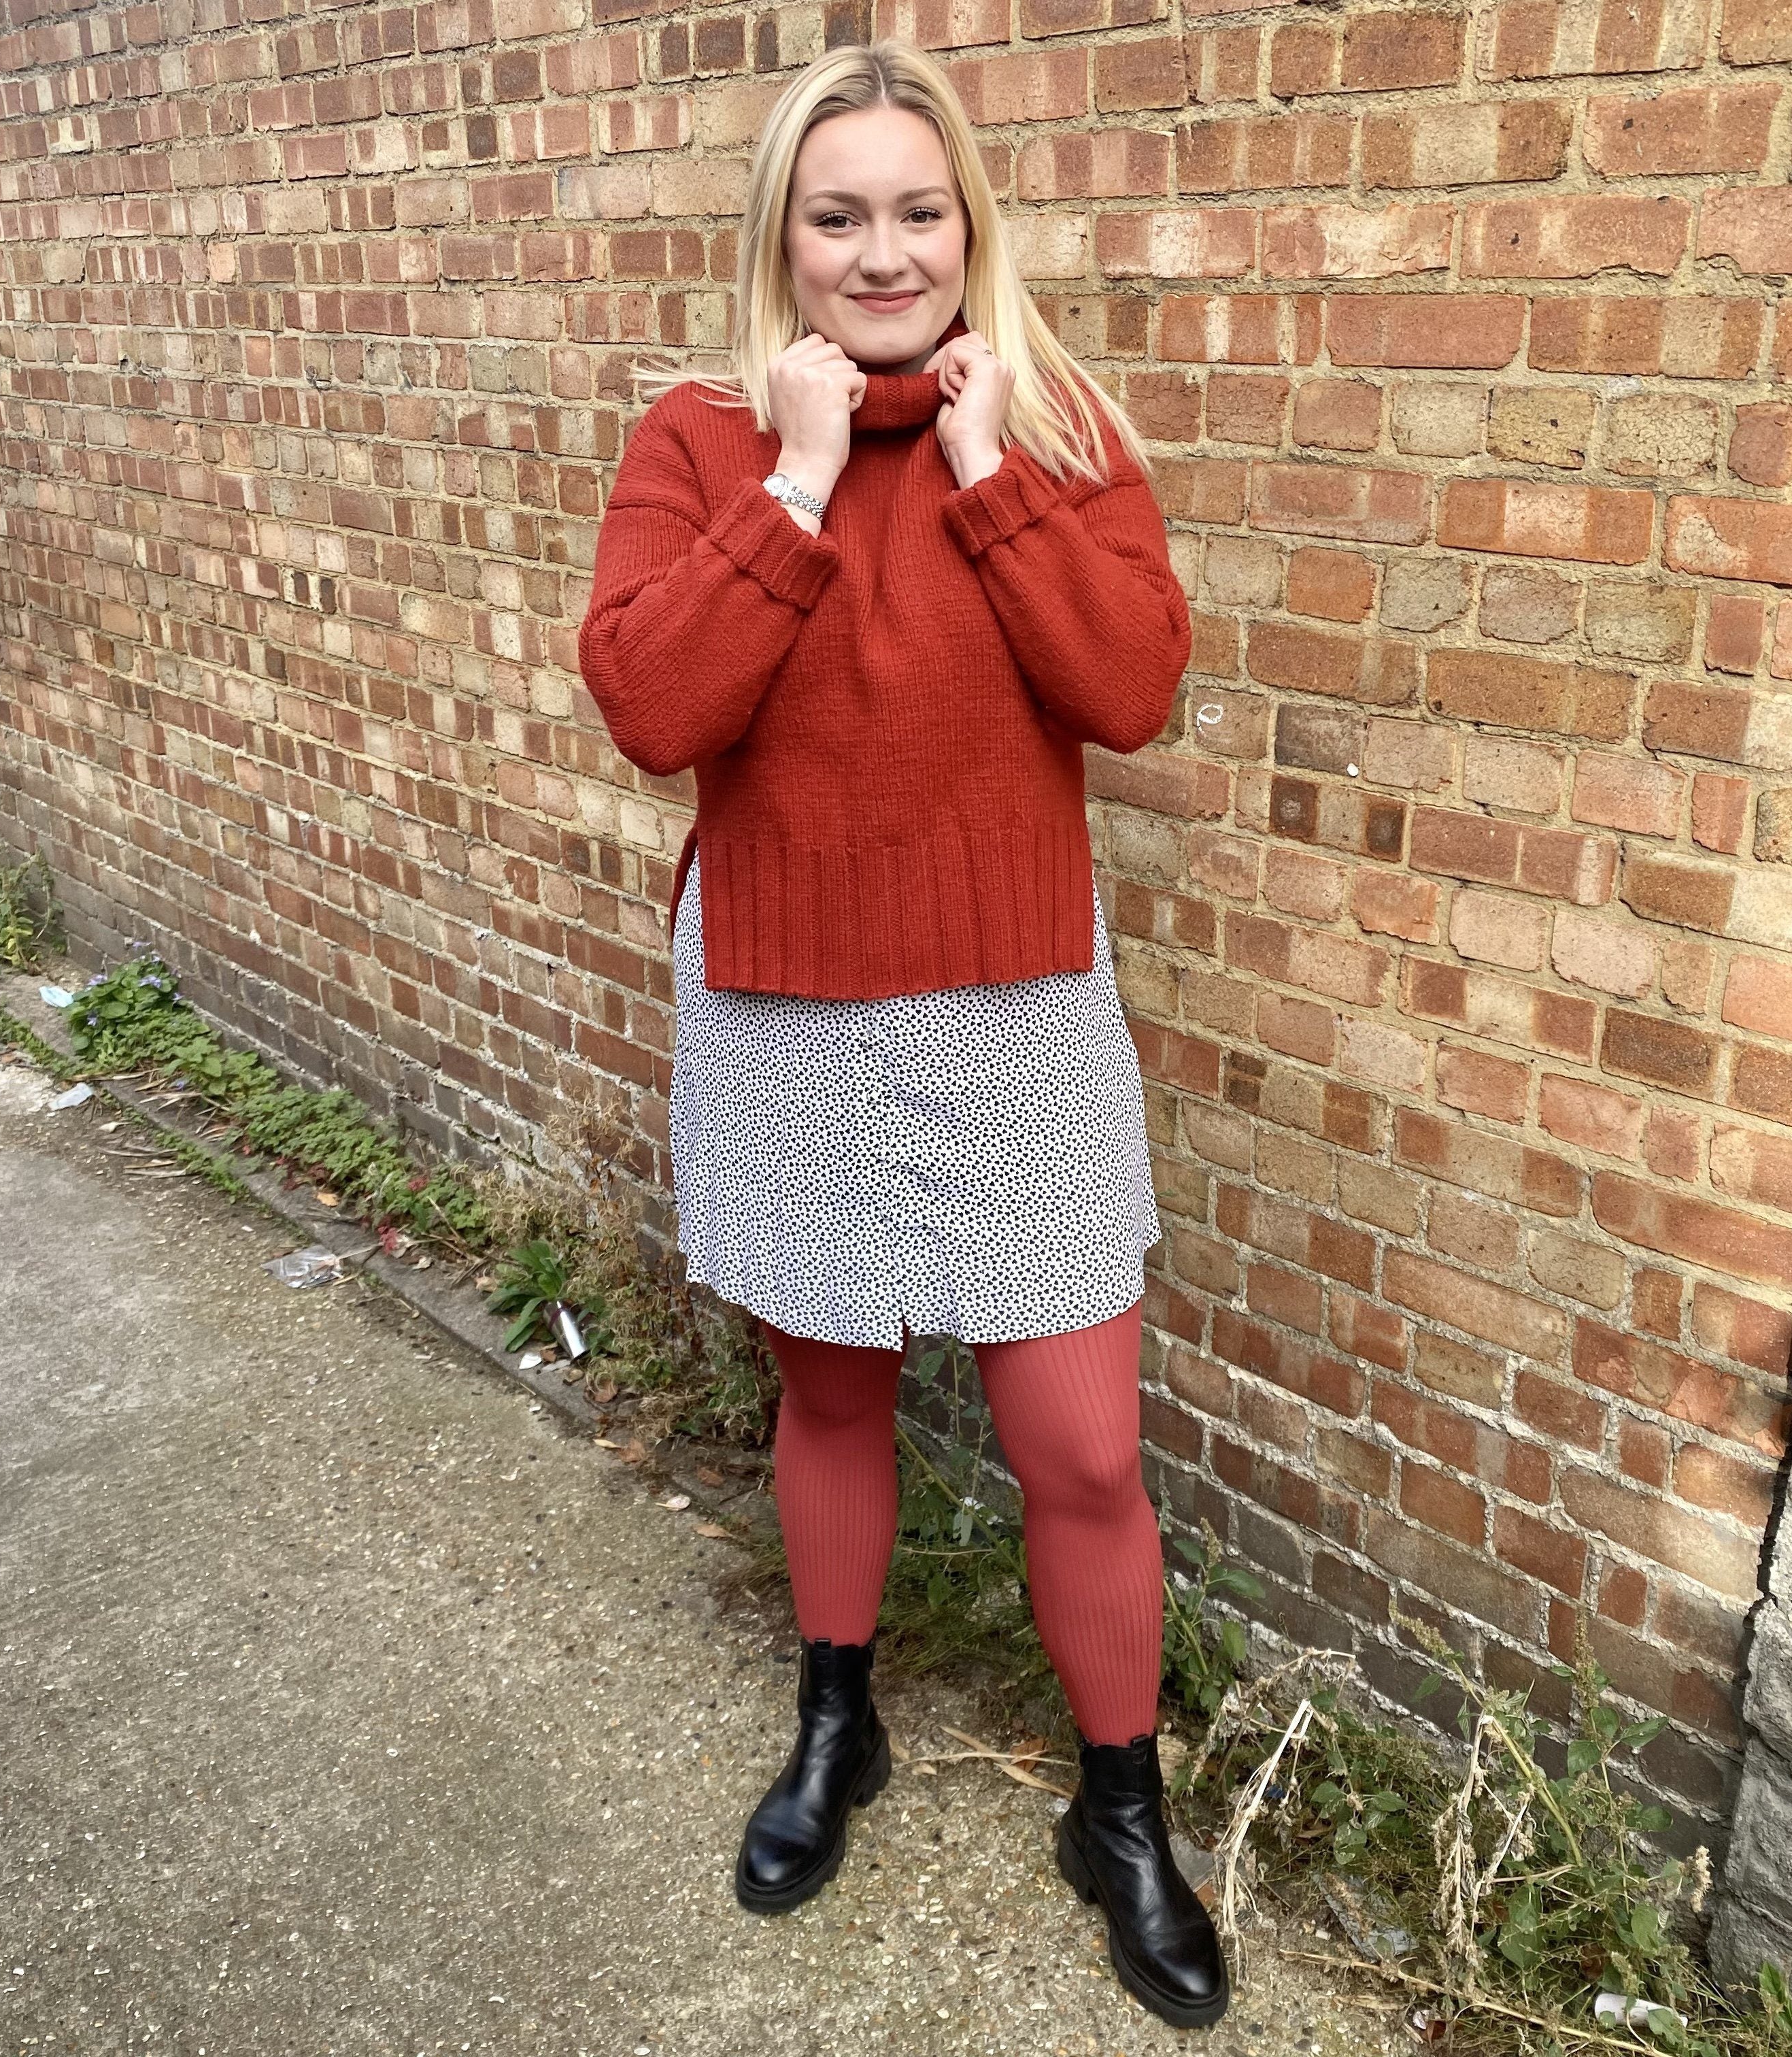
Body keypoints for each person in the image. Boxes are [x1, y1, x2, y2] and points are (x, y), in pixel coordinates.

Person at [577, 35, 1228, 2031]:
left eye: (919, 213)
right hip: (785, 1001)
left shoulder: (1058, 429)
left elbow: (1131, 691)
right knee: (836, 1394)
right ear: (782, 238)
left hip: (1015, 997)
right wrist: (793, 481)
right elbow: (654, 708)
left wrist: (984, 473)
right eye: (838, 216)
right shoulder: (699, 438)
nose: (883, 254)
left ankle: (1120, 1811)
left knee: (1080, 1444)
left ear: (971, 227)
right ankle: (835, 1720)